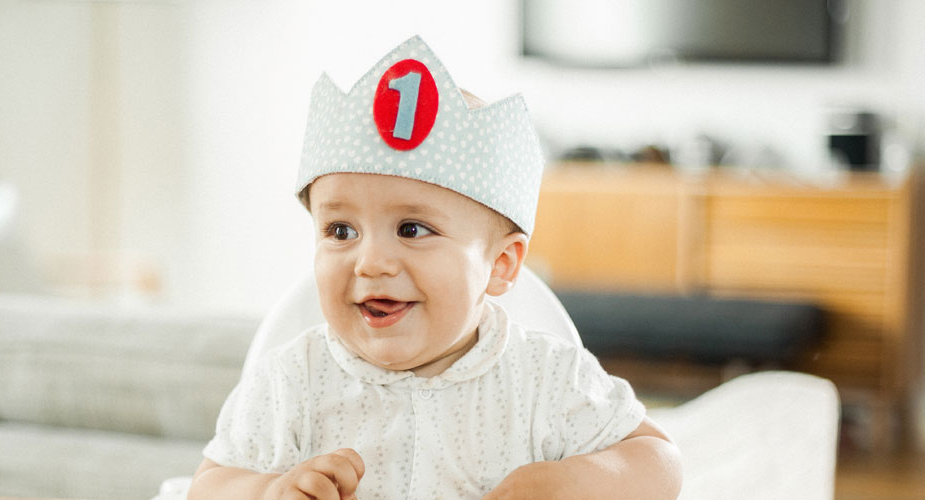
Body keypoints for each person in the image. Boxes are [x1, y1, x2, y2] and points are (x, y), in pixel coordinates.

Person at [187, 36, 682, 500]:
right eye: (341, 231)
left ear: (500, 265)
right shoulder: (292, 381)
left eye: (412, 229)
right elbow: (208, 484)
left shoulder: (546, 380)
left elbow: (659, 460)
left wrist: (573, 481)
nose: (371, 261)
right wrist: (268, 491)